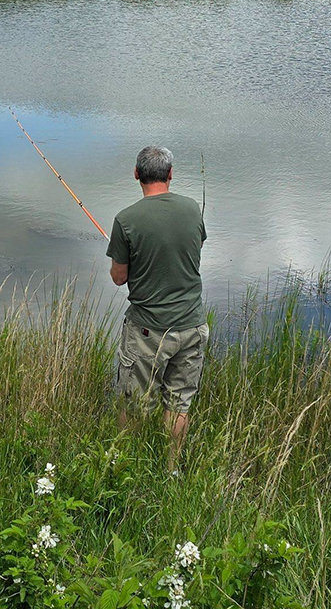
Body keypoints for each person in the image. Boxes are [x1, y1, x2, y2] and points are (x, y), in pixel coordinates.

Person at [106, 145, 207, 471]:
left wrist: (133, 259)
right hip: (192, 326)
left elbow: (119, 278)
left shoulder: (126, 220)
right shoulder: (192, 209)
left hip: (148, 330)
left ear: (137, 174)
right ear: (170, 174)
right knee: (179, 403)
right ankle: (172, 468)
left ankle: (126, 468)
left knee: (134, 404)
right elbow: (191, 249)